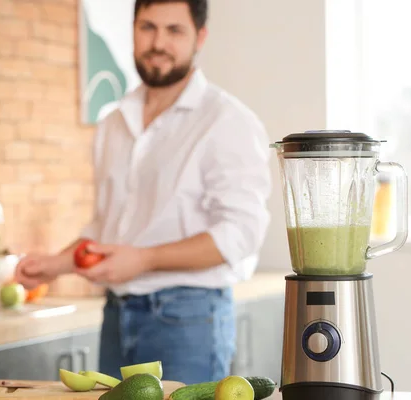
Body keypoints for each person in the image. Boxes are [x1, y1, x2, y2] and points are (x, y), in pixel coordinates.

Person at [14, 0, 272, 384]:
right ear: (133, 30)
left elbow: (241, 235)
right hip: (117, 315)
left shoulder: (227, 121)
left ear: (199, 37)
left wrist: (145, 259)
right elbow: (108, 230)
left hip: (189, 321)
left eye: (174, 30)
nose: (158, 43)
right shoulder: (114, 122)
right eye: (148, 27)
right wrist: (58, 263)